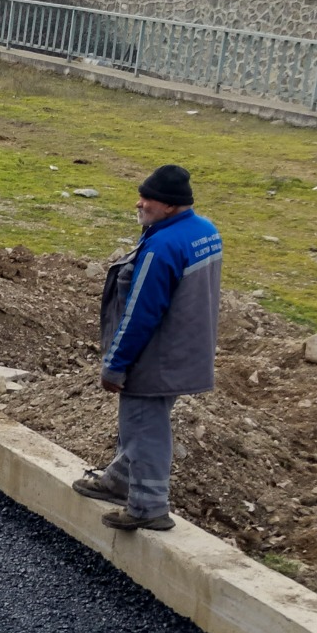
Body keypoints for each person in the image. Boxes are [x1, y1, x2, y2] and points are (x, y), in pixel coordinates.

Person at [75, 164, 223, 533]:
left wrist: (115, 365)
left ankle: (148, 507)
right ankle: (119, 481)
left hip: (155, 357)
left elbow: (141, 312)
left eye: (147, 199)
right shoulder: (204, 231)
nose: (139, 203)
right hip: (186, 351)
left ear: (170, 206)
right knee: (143, 425)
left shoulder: (161, 246)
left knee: (143, 427)